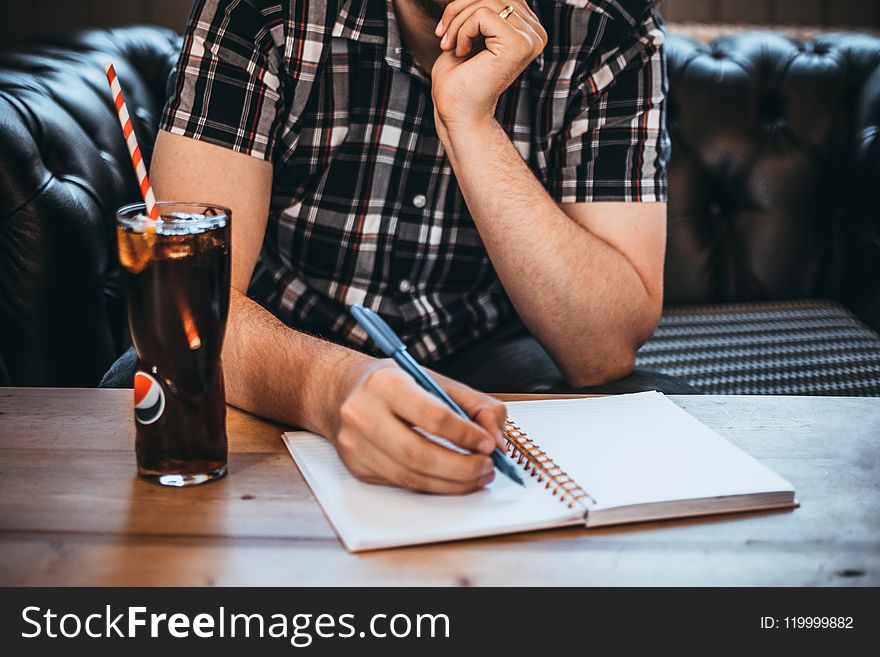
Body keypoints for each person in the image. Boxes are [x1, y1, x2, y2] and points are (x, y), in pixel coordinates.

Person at [104, 0, 696, 494]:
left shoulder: (609, 24)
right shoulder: (261, 10)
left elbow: (604, 348)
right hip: (278, 350)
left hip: (490, 355)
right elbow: (188, 308)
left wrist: (470, 123)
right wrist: (330, 388)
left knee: (658, 417)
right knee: (138, 386)